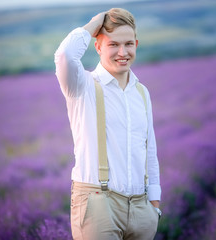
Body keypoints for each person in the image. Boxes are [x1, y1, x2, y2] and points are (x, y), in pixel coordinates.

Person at [54, 8, 161, 240]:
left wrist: (154, 204)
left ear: (136, 44)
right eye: (113, 44)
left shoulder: (142, 93)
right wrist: (96, 22)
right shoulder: (82, 86)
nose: (123, 52)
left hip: (142, 208)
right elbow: (65, 55)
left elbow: (149, 150)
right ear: (98, 46)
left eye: (129, 44)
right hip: (98, 205)